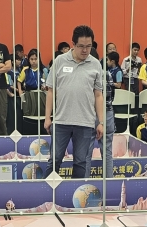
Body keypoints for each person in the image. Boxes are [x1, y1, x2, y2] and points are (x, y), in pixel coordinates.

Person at [45, 25, 106, 179]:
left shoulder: (95, 64)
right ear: (73, 44)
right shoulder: (60, 61)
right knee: (54, 160)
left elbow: (98, 95)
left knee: (81, 162)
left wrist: (101, 122)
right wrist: (47, 118)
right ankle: (46, 192)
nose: (85, 50)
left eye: (88, 46)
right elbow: (50, 91)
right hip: (61, 121)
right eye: (81, 46)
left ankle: (76, 191)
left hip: (85, 123)